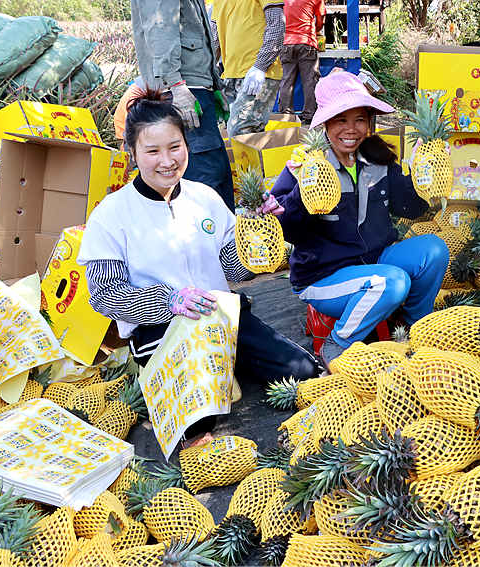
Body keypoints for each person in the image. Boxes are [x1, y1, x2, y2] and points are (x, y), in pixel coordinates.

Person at [78, 90, 320, 441]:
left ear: (186, 144)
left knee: (304, 373)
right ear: (132, 154)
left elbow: (232, 270)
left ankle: (231, 367)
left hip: (222, 317)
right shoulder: (111, 215)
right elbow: (105, 296)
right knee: (197, 426)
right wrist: (168, 302)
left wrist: (256, 236)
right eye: (152, 151)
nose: (166, 161)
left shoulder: (204, 198)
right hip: (163, 331)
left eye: (174, 147)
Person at [266, 71, 448, 366]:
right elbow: (288, 231)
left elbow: (411, 209)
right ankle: (337, 345)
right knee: (392, 282)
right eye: (341, 120)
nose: (351, 129)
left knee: (433, 249)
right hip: (324, 275)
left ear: (369, 123)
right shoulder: (305, 166)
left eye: (360, 119)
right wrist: (300, 196)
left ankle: (415, 329)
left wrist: (423, 172)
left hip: (375, 261)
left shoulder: (375, 158)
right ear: (325, 124)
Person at [130, 0, 235, 211]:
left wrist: (213, 84)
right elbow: (160, 26)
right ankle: (208, 240)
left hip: (191, 86)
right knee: (204, 179)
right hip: (182, 89)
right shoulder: (178, 87)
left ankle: (222, 239)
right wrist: (176, 84)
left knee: (216, 174)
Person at [210, 0, 285, 137]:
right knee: (235, 135)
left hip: (259, 73)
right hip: (230, 74)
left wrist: (260, 66)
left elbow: (277, 25)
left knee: (241, 131)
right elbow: (214, 38)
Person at [278, 0, 325, 124]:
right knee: (310, 81)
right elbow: (321, 19)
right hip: (307, 41)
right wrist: (316, 30)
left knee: (286, 80)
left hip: (286, 42)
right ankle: (309, 115)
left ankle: (286, 115)